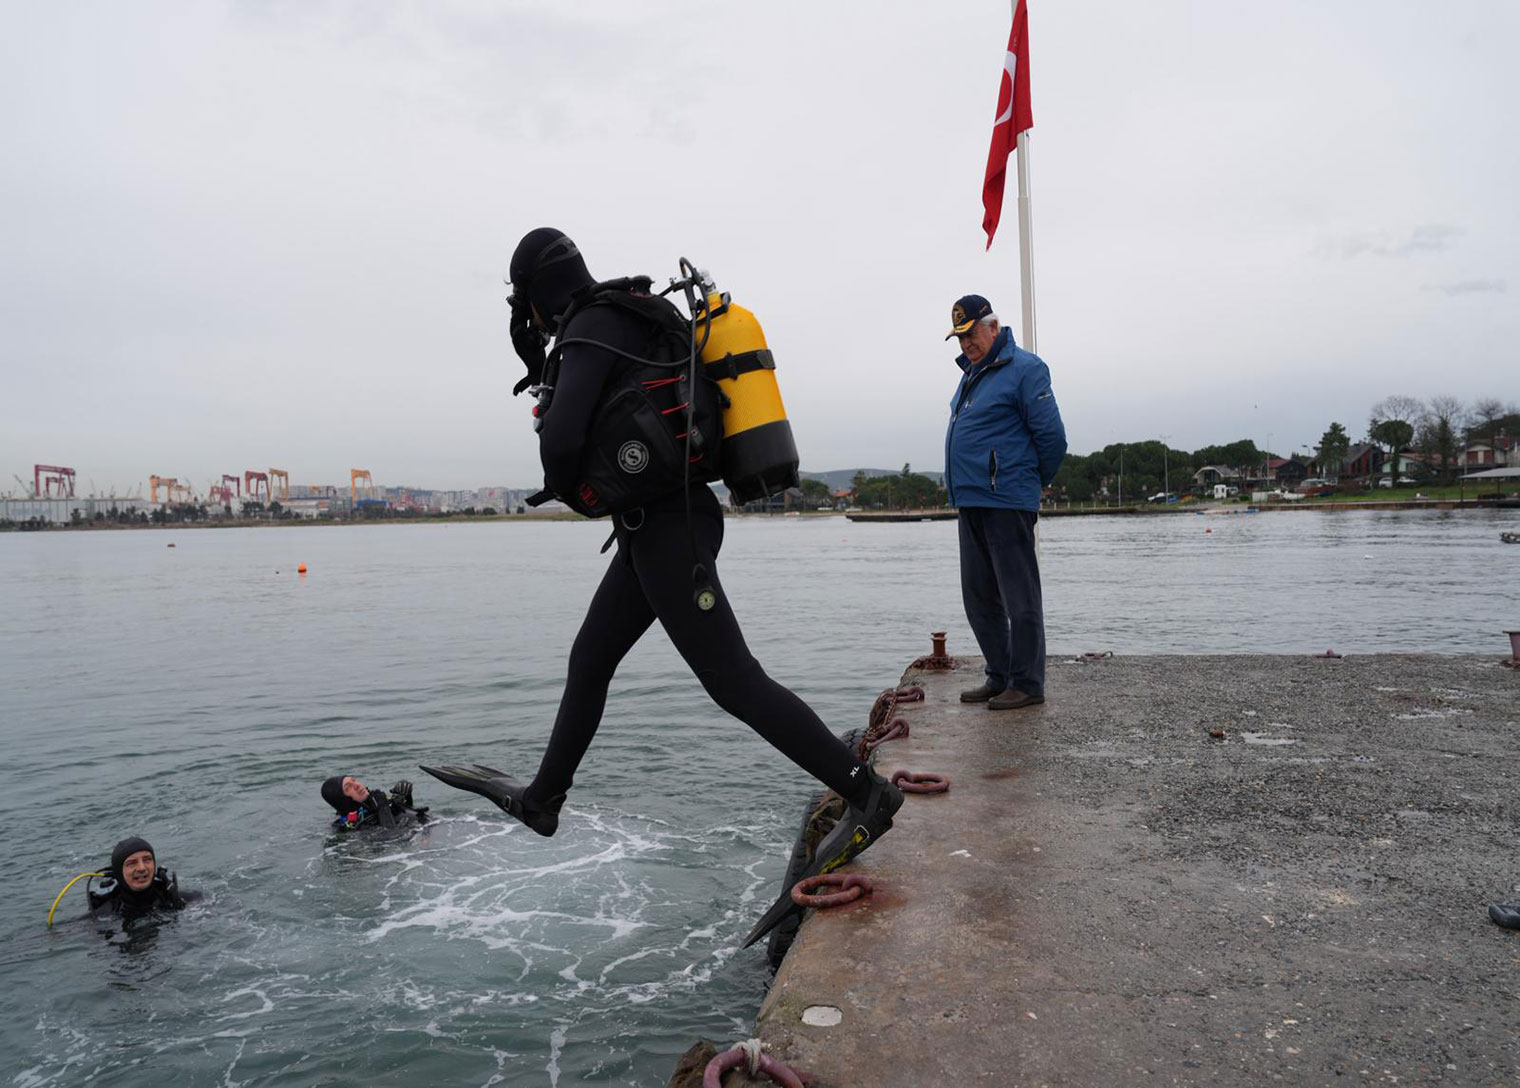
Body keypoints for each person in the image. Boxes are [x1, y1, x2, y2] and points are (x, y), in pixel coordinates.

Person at [423, 228, 902, 925]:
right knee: (591, 657)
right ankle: (544, 800)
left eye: (524, 304)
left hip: (669, 529)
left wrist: (553, 426)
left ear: (536, 293)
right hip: (661, 523)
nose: (529, 320)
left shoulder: (590, 328)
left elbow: (561, 448)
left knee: (735, 681)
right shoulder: (628, 315)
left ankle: (866, 793)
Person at [943, 294, 1067, 710]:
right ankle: (1000, 674)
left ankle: (1027, 683)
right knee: (978, 598)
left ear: (993, 327)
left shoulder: (1025, 369)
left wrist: (1026, 483)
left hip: (1006, 500)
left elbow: (1053, 439)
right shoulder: (971, 375)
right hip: (971, 500)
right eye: (960, 337)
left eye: (971, 334)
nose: (966, 344)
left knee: (1020, 598)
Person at [88, 836, 200, 920]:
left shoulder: (185, 899)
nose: (141, 868)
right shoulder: (101, 915)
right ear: (119, 873)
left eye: (147, 860)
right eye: (132, 863)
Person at [320, 775, 427, 831]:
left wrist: (406, 796)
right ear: (343, 801)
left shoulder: (376, 801)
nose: (356, 785)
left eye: (354, 780)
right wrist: (382, 808)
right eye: (348, 788)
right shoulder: (356, 828)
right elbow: (392, 840)